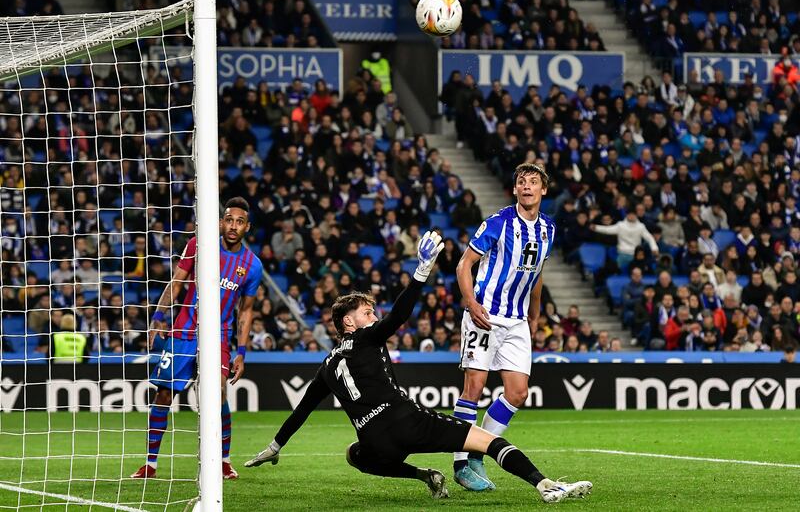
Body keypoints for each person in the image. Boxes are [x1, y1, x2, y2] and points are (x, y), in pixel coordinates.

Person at [244, 231, 591, 503]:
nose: (373, 316)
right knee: (489, 443)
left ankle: (424, 475)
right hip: (407, 422)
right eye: (366, 313)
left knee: (354, 455)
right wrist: (422, 271)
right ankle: (545, 485)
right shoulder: (367, 337)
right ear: (348, 324)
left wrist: (275, 446)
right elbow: (399, 315)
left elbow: (303, 409)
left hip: (375, 442)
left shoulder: (326, 365)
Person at [130, 197, 263, 480]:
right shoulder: (198, 246)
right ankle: (150, 465)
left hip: (219, 339)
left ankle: (224, 462)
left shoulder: (252, 266)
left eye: (239, 222)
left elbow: (246, 311)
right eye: (229, 219)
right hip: (183, 332)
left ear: (247, 228)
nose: (233, 226)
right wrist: (158, 316)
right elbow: (176, 283)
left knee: (218, 395)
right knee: (163, 394)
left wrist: (241, 351)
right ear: (220, 222)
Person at [451, 163, 556, 491]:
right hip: (485, 315)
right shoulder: (498, 222)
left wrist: (535, 317)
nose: (527, 187)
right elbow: (463, 265)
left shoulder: (548, 229)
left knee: (518, 392)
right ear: (514, 190)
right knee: (474, 388)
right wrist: (471, 303)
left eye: (533, 182)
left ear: (543, 191)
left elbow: (536, 276)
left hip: (517, 321)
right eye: (522, 182)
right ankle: (460, 463)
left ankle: (481, 450)